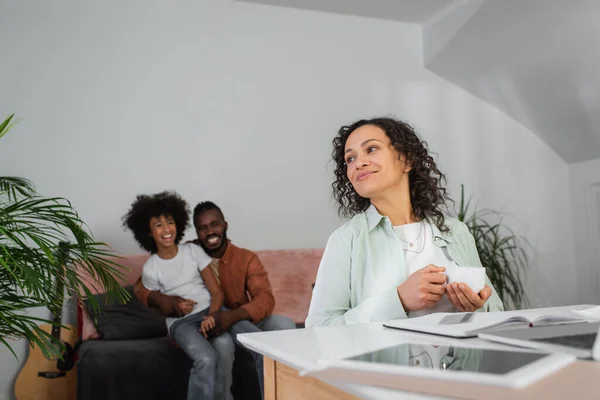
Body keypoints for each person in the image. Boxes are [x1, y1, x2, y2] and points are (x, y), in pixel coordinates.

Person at [305, 117, 504, 328]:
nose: (359, 163)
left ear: (407, 160)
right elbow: (319, 327)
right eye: (350, 159)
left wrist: (477, 305)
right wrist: (398, 300)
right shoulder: (346, 240)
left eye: (371, 149)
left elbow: (496, 312)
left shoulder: (456, 232)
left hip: (460, 361)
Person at [135, 201, 296, 399]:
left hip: (237, 315)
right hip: (206, 319)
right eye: (202, 228)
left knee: (284, 324)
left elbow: (264, 299)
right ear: (196, 232)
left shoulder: (246, 258)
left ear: (225, 225)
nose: (210, 232)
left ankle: (283, 392)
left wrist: (230, 317)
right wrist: (170, 302)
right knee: (222, 343)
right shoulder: (188, 251)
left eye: (215, 225)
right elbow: (141, 288)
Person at [123, 191, 235, 400]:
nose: (166, 230)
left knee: (226, 345)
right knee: (206, 357)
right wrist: (173, 306)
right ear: (148, 232)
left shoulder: (193, 251)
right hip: (181, 323)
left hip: (208, 312)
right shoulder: (151, 268)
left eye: (170, 222)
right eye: (158, 225)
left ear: (178, 224)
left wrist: (211, 315)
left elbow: (216, 291)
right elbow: (154, 305)